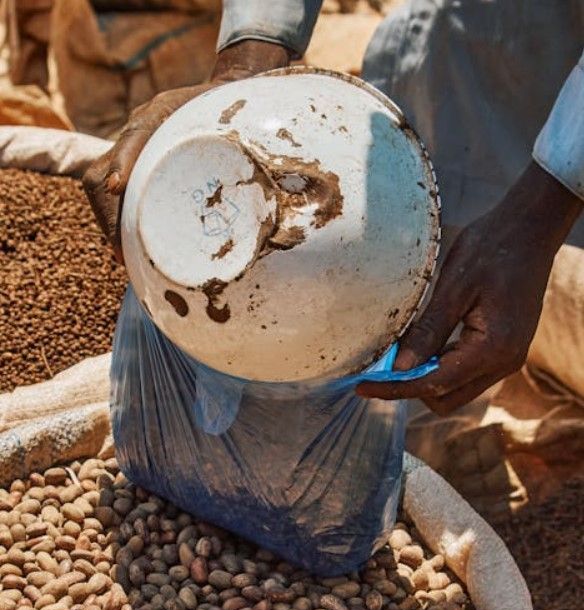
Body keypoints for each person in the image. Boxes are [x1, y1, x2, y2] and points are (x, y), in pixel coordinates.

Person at [83, 0, 584, 414]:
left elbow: (524, 230)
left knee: (513, 283)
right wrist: (245, 62)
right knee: (434, 274)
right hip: (492, 27)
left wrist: (540, 211)